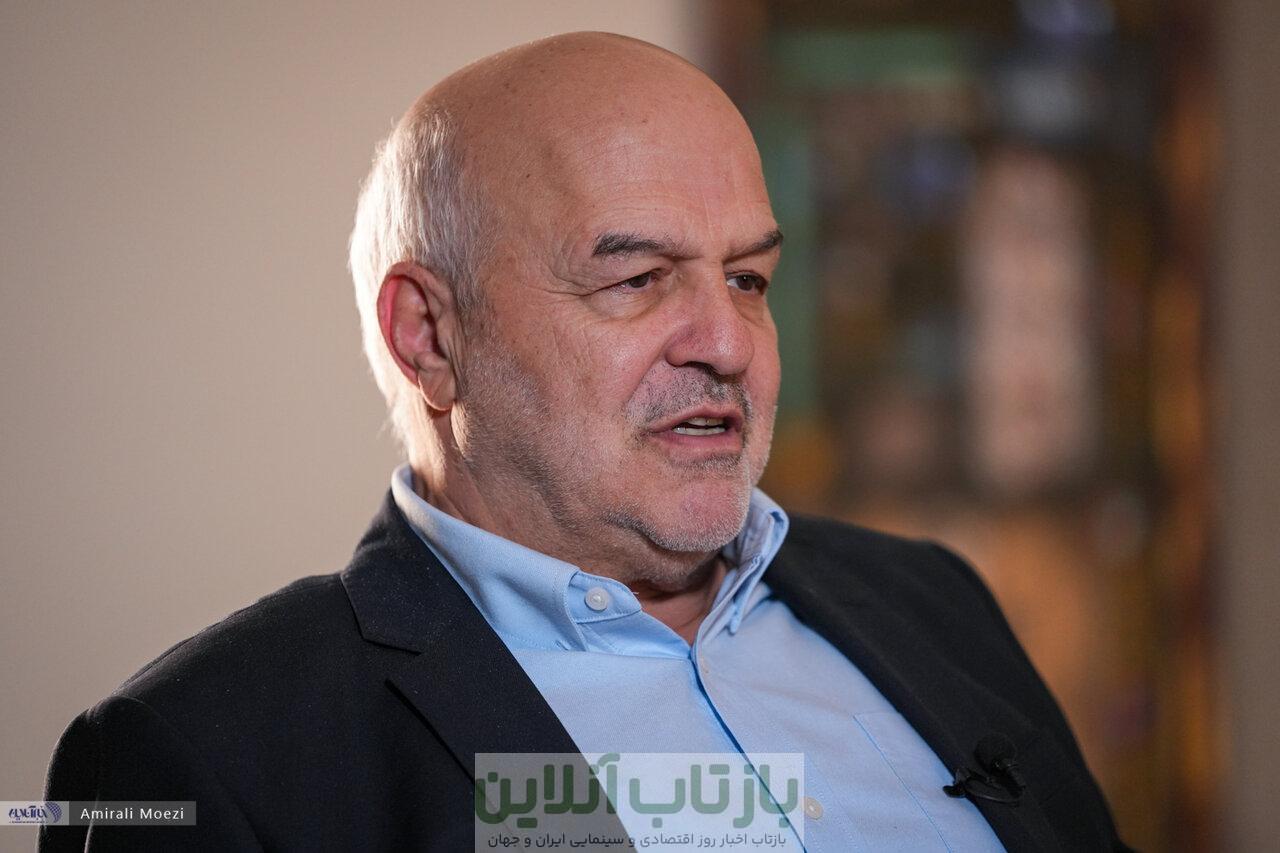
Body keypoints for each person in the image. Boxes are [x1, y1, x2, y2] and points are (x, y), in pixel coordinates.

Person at [41, 32, 1126, 851]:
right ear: (429, 337)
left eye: (747, 279)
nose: (726, 343)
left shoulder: (931, 599)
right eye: (638, 279)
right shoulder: (209, 752)